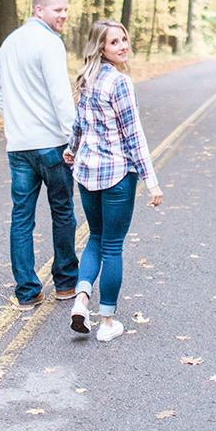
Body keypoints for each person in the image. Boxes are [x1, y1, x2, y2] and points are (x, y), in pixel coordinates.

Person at [64, 19, 163, 342]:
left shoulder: (85, 78)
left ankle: (81, 298)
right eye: (114, 42)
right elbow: (133, 135)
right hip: (117, 175)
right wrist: (151, 181)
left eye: (124, 40)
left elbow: (78, 126)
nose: (123, 46)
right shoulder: (119, 82)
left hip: (87, 172)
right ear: (100, 48)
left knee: (95, 237)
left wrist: (71, 151)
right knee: (112, 246)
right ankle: (107, 323)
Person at [0, 0, 78, 309]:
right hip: (52, 146)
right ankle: (66, 283)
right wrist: (75, 140)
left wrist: (17, 123)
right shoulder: (50, 43)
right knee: (62, 212)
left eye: (65, 9)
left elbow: (0, 94)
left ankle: (27, 292)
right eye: (58, 10)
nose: (64, 15)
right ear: (38, 10)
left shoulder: (9, 43)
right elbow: (60, 96)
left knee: (21, 218)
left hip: (18, 147)